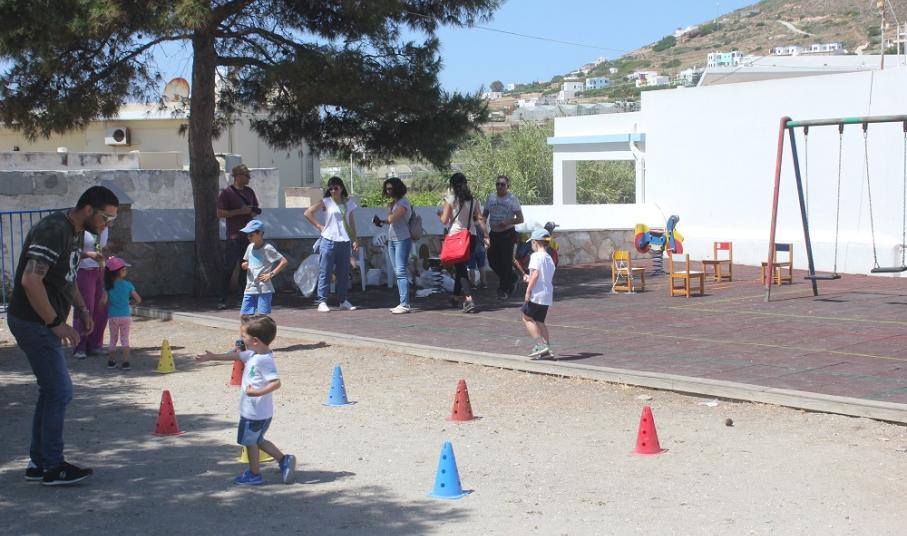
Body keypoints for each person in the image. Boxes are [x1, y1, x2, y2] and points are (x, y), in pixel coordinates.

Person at [8, 185, 119, 486]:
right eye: (106, 218)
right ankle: (53, 466)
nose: (107, 225)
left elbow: (65, 279)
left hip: (40, 322)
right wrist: (56, 322)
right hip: (33, 322)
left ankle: (38, 462)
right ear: (88, 209)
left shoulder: (74, 231)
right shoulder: (55, 230)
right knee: (60, 391)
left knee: (50, 390)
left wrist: (82, 309)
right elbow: (31, 280)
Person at [195, 315, 296, 486]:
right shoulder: (253, 354)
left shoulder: (264, 360)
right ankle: (284, 460)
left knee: (250, 443)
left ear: (255, 340)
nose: (241, 339)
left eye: (244, 336)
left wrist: (257, 392)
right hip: (260, 412)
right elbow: (236, 356)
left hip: (254, 413)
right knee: (258, 440)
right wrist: (212, 357)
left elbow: (276, 383)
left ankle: (254, 474)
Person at [304, 176, 359, 312]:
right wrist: (319, 226)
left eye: (336, 188)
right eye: (331, 188)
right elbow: (308, 213)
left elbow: (352, 222)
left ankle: (343, 300)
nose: (333, 190)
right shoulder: (326, 202)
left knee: (343, 273)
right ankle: (322, 301)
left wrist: (355, 239)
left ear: (341, 188)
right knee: (326, 271)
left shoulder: (348, 203)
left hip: (344, 241)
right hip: (328, 240)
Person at [439, 172, 488, 313]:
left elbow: (444, 220)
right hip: (471, 236)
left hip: (456, 237)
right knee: (461, 267)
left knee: (460, 269)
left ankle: (468, 299)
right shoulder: (473, 200)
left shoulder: (450, 199)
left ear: (452, 185)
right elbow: (480, 219)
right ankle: (455, 298)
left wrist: (439, 214)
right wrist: (486, 235)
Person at [217, 164, 260, 310]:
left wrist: (252, 212)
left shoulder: (250, 192)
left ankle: (242, 299)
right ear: (238, 176)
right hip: (234, 236)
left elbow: (255, 209)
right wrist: (240, 212)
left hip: (248, 237)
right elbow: (220, 213)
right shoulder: (227, 193)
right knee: (229, 267)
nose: (249, 178)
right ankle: (222, 299)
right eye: (247, 175)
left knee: (245, 268)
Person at [374, 177, 413, 314]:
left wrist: (384, 218)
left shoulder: (404, 202)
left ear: (397, 188)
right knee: (398, 272)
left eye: (390, 188)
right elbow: (391, 221)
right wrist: (386, 214)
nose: (388, 191)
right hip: (392, 240)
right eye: (386, 189)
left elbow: (392, 219)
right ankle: (402, 302)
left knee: (401, 271)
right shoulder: (393, 204)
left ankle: (405, 304)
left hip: (402, 239)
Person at [72, 226, 111, 359]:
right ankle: (80, 346)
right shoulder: (80, 228)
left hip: (99, 270)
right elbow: (71, 253)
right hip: (84, 270)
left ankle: (95, 344)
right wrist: (89, 255)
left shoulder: (104, 227)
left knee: (101, 308)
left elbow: (102, 247)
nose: (108, 223)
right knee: (85, 307)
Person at [239, 219, 288, 323]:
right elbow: (245, 262)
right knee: (244, 316)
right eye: (247, 235)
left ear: (260, 233)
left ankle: (263, 333)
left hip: (263, 289)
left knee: (262, 318)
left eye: (251, 234)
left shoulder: (267, 248)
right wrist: (244, 265)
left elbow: (284, 261)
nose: (248, 237)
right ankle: (245, 334)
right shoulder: (250, 247)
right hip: (249, 288)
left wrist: (271, 274)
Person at [483, 175, 524, 299]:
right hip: (494, 233)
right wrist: (482, 228)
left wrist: (508, 221)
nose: (500, 186)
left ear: (507, 186)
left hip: (507, 233)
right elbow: (484, 215)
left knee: (506, 262)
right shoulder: (491, 197)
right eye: (498, 184)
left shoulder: (512, 199)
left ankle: (503, 289)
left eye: (502, 184)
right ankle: (511, 278)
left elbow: (520, 219)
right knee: (492, 260)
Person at [521, 228, 556, 359]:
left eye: (532, 242)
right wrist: (529, 278)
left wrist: (528, 290)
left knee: (526, 317)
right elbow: (543, 275)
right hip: (547, 295)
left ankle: (540, 345)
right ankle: (547, 348)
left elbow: (535, 274)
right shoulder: (549, 257)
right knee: (540, 321)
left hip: (536, 294)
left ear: (535, 242)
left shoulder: (535, 256)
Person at [103, 256, 141, 370]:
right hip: (125, 316)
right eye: (124, 269)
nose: (126, 271)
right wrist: (131, 303)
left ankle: (111, 362)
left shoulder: (108, 286)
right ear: (119, 272)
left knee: (113, 339)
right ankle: (126, 363)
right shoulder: (128, 285)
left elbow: (103, 301)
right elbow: (138, 299)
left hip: (113, 316)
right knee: (125, 339)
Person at [467, 223, 488, 289]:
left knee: (472, 268)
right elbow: (486, 238)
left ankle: (473, 284)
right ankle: (484, 283)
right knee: (482, 267)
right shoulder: (482, 226)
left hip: (471, 250)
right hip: (481, 249)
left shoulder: (470, 225)